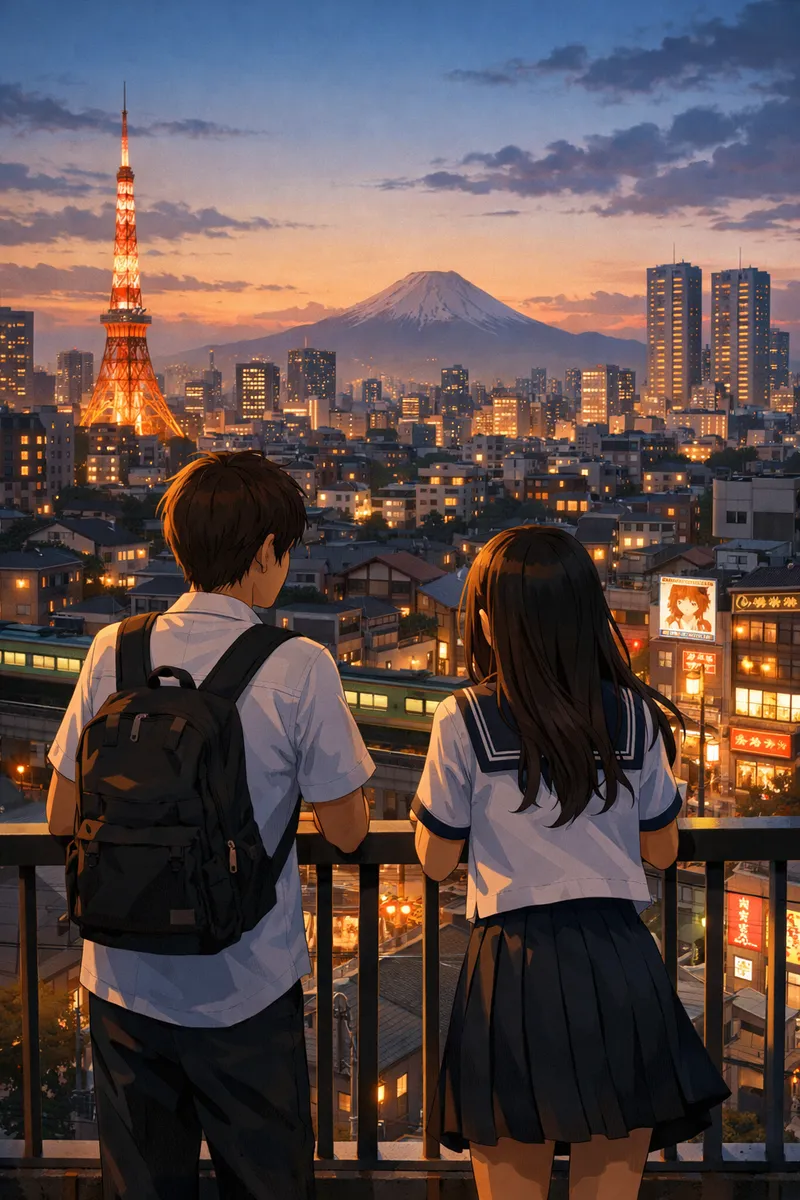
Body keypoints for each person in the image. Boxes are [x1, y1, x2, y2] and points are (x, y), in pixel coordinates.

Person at [47, 450, 375, 1200]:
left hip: (123, 984)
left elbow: (65, 811)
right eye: (284, 550)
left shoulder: (114, 648)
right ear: (266, 551)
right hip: (245, 987)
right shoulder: (299, 663)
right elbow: (351, 830)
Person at [410, 526, 730, 1200]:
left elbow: (436, 860)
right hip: (619, 961)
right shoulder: (635, 718)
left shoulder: (464, 718)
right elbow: (662, 849)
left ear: (491, 626)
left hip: (510, 967)